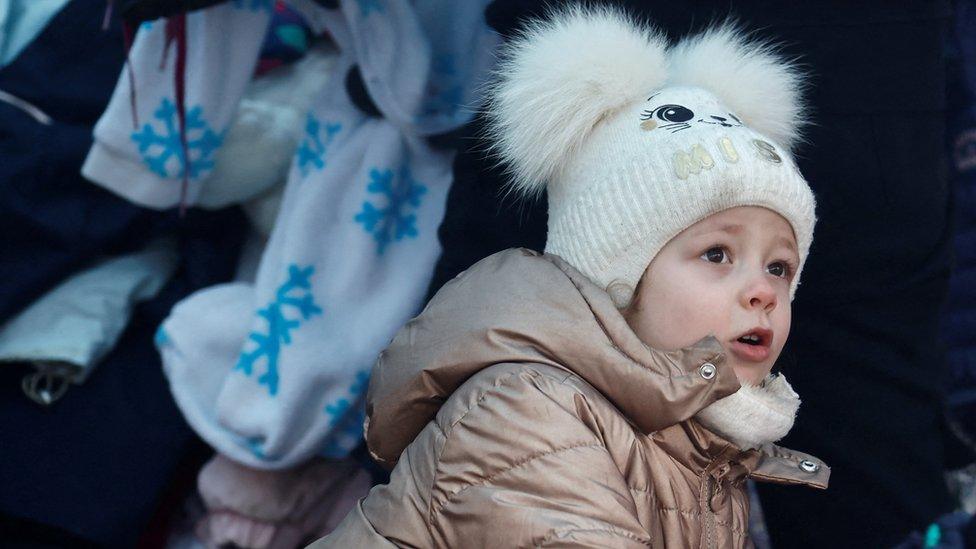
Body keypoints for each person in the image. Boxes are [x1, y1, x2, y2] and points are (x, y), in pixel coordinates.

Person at [312, 7, 828, 547]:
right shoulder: (527, 412)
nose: (764, 292)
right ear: (617, 278)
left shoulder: (702, 445)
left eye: (780, 267)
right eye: (717, 254)